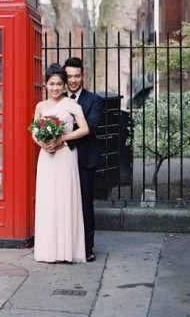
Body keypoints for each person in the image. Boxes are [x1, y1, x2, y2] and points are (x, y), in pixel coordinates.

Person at [32, 63, 89, 263]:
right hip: (47, 157)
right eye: (51, 84)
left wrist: (60, 139)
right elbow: (34, 130)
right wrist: (42, 144)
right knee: (49, 201)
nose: (55, 88)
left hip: (65, 156)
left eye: (59, 84)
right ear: (46, 85)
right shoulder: (40, 106)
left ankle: (67, 251)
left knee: (65, 199)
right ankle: (48, 251)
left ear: (64, 85)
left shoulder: (72, 104)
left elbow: (84, 129)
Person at [63, 57, 104, 262]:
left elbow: (91, 128)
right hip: (61, 161)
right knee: (65, 204)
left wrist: (64, 141)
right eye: (69, 76)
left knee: (85, 204)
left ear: (82, 76)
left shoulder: (94, 100)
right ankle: (66, 246)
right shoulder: (58, 99)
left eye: (76, 76)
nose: (73, 80)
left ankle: (87, 248)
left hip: (84, 159)